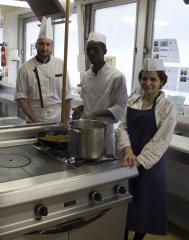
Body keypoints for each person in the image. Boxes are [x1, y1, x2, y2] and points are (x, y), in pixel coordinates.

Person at [117, 58, 176, 240]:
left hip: (150, 166)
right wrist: (127, 151)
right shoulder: (133, 100)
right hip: (128, 162)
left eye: (153, 79)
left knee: (144, 208)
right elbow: (122, 127)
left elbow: (160, 141)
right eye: (144, 78)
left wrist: (139, 160)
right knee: (125, 206)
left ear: (162, 81)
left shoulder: (167, 107)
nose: (148, 83)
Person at [74, 31, 127, 155]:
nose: (91, 53)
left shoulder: (117, 76)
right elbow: (88, 101)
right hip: (85, 130)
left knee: (102, 165)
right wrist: (80, 109)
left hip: (104, 132)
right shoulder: (86, 76)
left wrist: (96, 114)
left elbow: (120, 106)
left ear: (105, 51)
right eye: (89, 50)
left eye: (96, 49)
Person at [16, 17, 72, 124]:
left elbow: (68, 96)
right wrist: (36, 121)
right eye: (41, 44)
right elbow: (21, 98)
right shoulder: (25, 68)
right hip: (34, 119)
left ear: (52, 46)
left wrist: (66, 120)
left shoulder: (61, 64)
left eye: (48, 44)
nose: (44, 48)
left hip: (57, 119)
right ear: (36, 45)